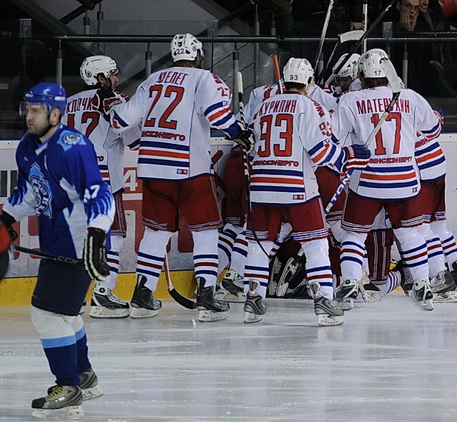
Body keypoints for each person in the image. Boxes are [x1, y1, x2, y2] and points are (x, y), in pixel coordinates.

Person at [95, 33, 252, 321]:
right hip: (190, 169)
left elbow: (120, 121)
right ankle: (206, 294)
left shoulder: (152, 80)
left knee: (156, 232)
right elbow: (218, 115)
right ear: (198, 55)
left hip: (152, 169)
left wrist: (110, 104)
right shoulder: (205, 79)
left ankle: (143, 293)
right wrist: (240, 133)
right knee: (205, 231)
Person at [0, 82, 114, 418]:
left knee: (46, 314)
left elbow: (98, 192)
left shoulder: (71, 147)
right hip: (56, 241)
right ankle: (84, 375)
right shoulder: (27, 146)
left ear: (55, 113)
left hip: (79, 243)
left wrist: (96, 235)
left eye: (35, 110)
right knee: (63, 314)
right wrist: (6, 217)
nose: (28, 116)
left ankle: (68, 386)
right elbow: (31, 192)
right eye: (27, 109)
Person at [242, 57, 370, 326]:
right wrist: (348, 155)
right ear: (309, 82)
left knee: (260, 243)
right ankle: (323, 300)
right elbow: (321, 152)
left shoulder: (263, 107)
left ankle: (251, 299)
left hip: (262, 187)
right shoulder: (310, 106)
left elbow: (251, 145)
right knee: (315, 244)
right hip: (297, 186)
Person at [331, 48, 443, 311]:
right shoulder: (411, 97)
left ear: (361, 74)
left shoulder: (350, 100)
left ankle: (349, 283)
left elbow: (335, 138)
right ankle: (422, 284)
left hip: (367, 180)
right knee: (410, 234)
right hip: (404, 179)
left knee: (354, 235)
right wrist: (436, 114)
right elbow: (433, 129)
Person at [63, 55, 141, 319]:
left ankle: (70, 296)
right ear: (100, 77)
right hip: (103, 178)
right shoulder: (115, 101)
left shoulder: (68, 102)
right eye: (112, 74)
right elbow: (134, 139)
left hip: (71, 177)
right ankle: (103, 294)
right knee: (114, 235)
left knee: (78, 238)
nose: (116, 79)